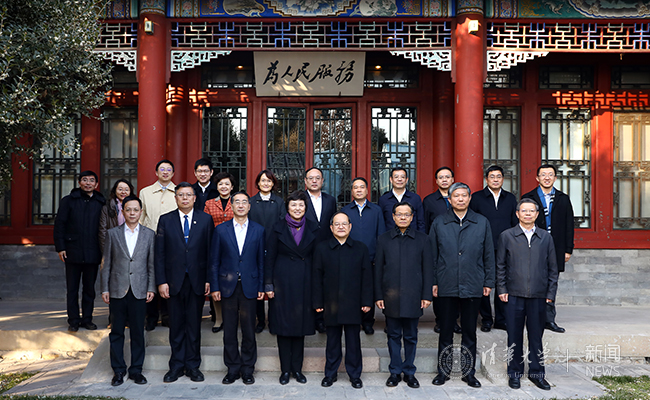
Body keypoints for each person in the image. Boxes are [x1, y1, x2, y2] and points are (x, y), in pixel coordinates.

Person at [430, 182, 495, 389]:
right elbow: (432, 256)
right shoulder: (439, 222)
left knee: (469, 331)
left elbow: (488, 254)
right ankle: (443, 371)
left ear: (469, 198)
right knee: (446, 331)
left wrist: (488, 281)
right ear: (449, 199)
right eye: (456, 196)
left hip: (473, 281)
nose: (460, 199)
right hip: (446, 282)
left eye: (464, 195)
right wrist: (433, 281)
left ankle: (469, 373)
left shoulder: (481, 222)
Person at [496, 198, 558, 391]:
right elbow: (500, 265)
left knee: (536, 337)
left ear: (537, 214)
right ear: (517, 214)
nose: (528, 214)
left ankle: (537, 373)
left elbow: (553, 268)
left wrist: (550, 293)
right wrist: (502, 289)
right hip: (514, 294)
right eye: (524, 211)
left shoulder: (545, 237)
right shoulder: (507, 236)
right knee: (514, 336)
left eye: (532, 211)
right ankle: (514, 373)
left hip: (538, 295)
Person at [155, 182, 213, 383]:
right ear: (176, 198)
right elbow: (159, 253)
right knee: (176, 325)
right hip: (173, 281)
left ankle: (193, 366)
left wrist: (209, 279)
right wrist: (161, 281)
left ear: (195, 198)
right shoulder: (165, 220)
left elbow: (210, 252)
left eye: (189, 195)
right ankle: (176, 366)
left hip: (197, 280)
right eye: (181, 195)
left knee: (194, 325)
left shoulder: (205, 219)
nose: (185, 198)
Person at [374, 202, 433, 389]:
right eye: (399, 214)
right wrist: (378, 295)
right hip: (390, 296)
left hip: (413, 295)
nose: (403, 217)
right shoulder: (383, 239)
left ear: (412, 217)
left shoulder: (423, 239)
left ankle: (409, 372)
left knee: (411, 336)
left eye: (407, 214)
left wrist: (427, 295)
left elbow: (428, 269)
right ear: (393, 217)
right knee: (393, 335)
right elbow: (378, 270)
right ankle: (394, 371)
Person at [209, 191, 265, 386]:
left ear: (249, 206)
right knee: (229, 330)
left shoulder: (259, 230)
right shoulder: (220, 230)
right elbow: (214, 261)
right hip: (227, 286)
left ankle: (248, 369)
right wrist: (215, 286)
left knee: (249, 329)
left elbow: (261, 261)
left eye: (244, 202)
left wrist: (261, 285)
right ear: (231, 206)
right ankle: (232, 368)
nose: (240, 205)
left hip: (250, 285)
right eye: (237, 202)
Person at [313, 212, 373, 389]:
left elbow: (367, 278)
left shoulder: (360, 248)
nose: (341, 227)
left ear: (350, 226)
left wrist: (367, 301)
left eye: (344, 224)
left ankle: (354, 374)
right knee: (332, 341)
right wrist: (317, 302)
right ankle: (330, 374)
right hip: (330, 303)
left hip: (353, 303)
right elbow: (316, 277)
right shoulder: (322, 248)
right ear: (331, 228)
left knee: (353, 342)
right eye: (337, 224)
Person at [265, 191, 319, 385]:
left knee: (300, 328)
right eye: (294, 205)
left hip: (305, 281)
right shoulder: (277, 227)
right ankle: (285, 370)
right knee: (283, 328)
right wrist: (268, 284)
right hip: (282, 282)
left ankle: (297, 369)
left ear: (306, 208)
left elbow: (317, 260)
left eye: (301, 205)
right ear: (287, 207)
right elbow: (269, 257)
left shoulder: (314, 227)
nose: (297, 208)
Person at [100, 195, 155, 387]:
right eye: (128, 210)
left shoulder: (149, 234)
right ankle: (118, 370)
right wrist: (105, 288)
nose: (132, 213)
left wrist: (151, 287)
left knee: (138, 332)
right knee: (116, 332)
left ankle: (136, 370)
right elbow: (106, 263)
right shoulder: (112, 234)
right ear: (123, 212)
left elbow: (151, 264)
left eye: (135, 210)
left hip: (139, 289)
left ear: (141, 212)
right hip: (117, 289)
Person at [522, 164, 574, 334]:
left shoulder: (563, 198)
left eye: (550, 174)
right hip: (532, 246)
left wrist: (568, 249)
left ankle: (549, 319)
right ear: (537, 178)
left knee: (552, 282)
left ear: (555, 178)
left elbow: (569, 225)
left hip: (556, 247)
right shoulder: (528, 197)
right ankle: (532, 318)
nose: (547, 177)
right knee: (532, 281)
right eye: (543, 174)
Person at [53, 170, 106, 332]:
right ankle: (73, 320)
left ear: (96, 184)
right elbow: (60, 225)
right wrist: (61, 247)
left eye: (91, 180)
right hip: (72, 250)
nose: (88, 183)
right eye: (85, 180)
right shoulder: (68, 200)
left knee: (89, 289)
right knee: (72, 289)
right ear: (79, 182)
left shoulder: (101, 202)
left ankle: (87, 319)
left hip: (93, 252)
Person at [469, 165, 518, 332]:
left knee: (502, 283)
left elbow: (514, 224)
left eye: (498, 176)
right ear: (486, 179)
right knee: (484, 283)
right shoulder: (477, 198)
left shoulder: (510, 198)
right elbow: (472, 223)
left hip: (505, 248)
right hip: (482, 248)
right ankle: (486, 319)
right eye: (492, 176)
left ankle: (501, 319)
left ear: (503, 179)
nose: (495, 179)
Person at [340, 177, 385, 335]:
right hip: (350, 257)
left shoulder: (376, 210)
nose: (359, 190)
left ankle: (368, 322)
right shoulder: (345, 211)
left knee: (368, 290)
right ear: (351, 191)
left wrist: (379, 257)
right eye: (355, 187)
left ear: (367, 190)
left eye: (362, 187)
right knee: (351, 290)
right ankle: (354, 319)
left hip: (371, 258)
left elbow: (381, 234)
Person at [139, 159, 177, 331]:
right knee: (151, 277)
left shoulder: (179, 192)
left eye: (169, 169)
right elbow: (141, 218)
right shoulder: (145, 192)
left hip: (172, 242)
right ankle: (151, 316)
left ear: (173, 173)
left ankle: (168, 315)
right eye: (162, 169)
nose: (165, 172)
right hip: (150, 240)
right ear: (156, 172)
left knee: (170, 276)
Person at [422, 166, 459, 334]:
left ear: (453, 179)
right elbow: (424, 225)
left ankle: (455, 320)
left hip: (458, 248)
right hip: (436, 247)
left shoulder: (460, 198)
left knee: (456, 284)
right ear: (436, 181)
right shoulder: (429, 201)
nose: (444, 180)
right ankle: (440, 320)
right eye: (441, 177)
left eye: (447, 177)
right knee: (438, 284)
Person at [248, 170, 286, 333]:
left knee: (272, 286)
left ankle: (273, 320)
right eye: (263, 180)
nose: (265, 183)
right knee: (256, 284)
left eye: (269, 181)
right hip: (253, 248)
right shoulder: (251, 202)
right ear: (258, 183)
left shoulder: (279, 202)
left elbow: (283, 224)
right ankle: (260, 320)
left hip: (274, 247)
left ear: (273, 184)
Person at [303, 167, 336, 333]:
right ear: (305, 181)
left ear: (323, 181)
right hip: (305, 249)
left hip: (326, 248)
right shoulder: (299, 199)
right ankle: (309, 318)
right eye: (311, 178)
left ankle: (322, 319)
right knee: (308, 284)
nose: (314, 181)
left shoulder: (330, 200)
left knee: (324, 284)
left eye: (318, 178)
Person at [203, 171, 237, 333]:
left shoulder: (238, 202)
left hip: (234, 247)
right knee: (216, 281)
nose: (224, 187)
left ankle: (233, 317)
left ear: (232, 186)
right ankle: (218, 318)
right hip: (214, 246)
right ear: (216, 187)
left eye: (227, 184)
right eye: (220, 184)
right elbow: (205, 225)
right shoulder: (209, 204)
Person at [378, 168, 425, 232]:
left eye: (402, 177)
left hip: (412, 236)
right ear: (391, 179)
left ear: (406, 180)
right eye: (396, 177)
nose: (399, 179)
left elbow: (421, 222)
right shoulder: (383, 199)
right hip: (390, 236)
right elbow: (380, 223)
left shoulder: (415, 198)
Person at [99, 179, 134, 252]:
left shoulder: (135, 207)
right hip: (113, 244)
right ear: (115, 191)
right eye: (120, 189)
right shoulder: (107, 207)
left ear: (130, 191)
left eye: (126, 190)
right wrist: (106, 251)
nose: (123, 192)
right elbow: (103, 231)